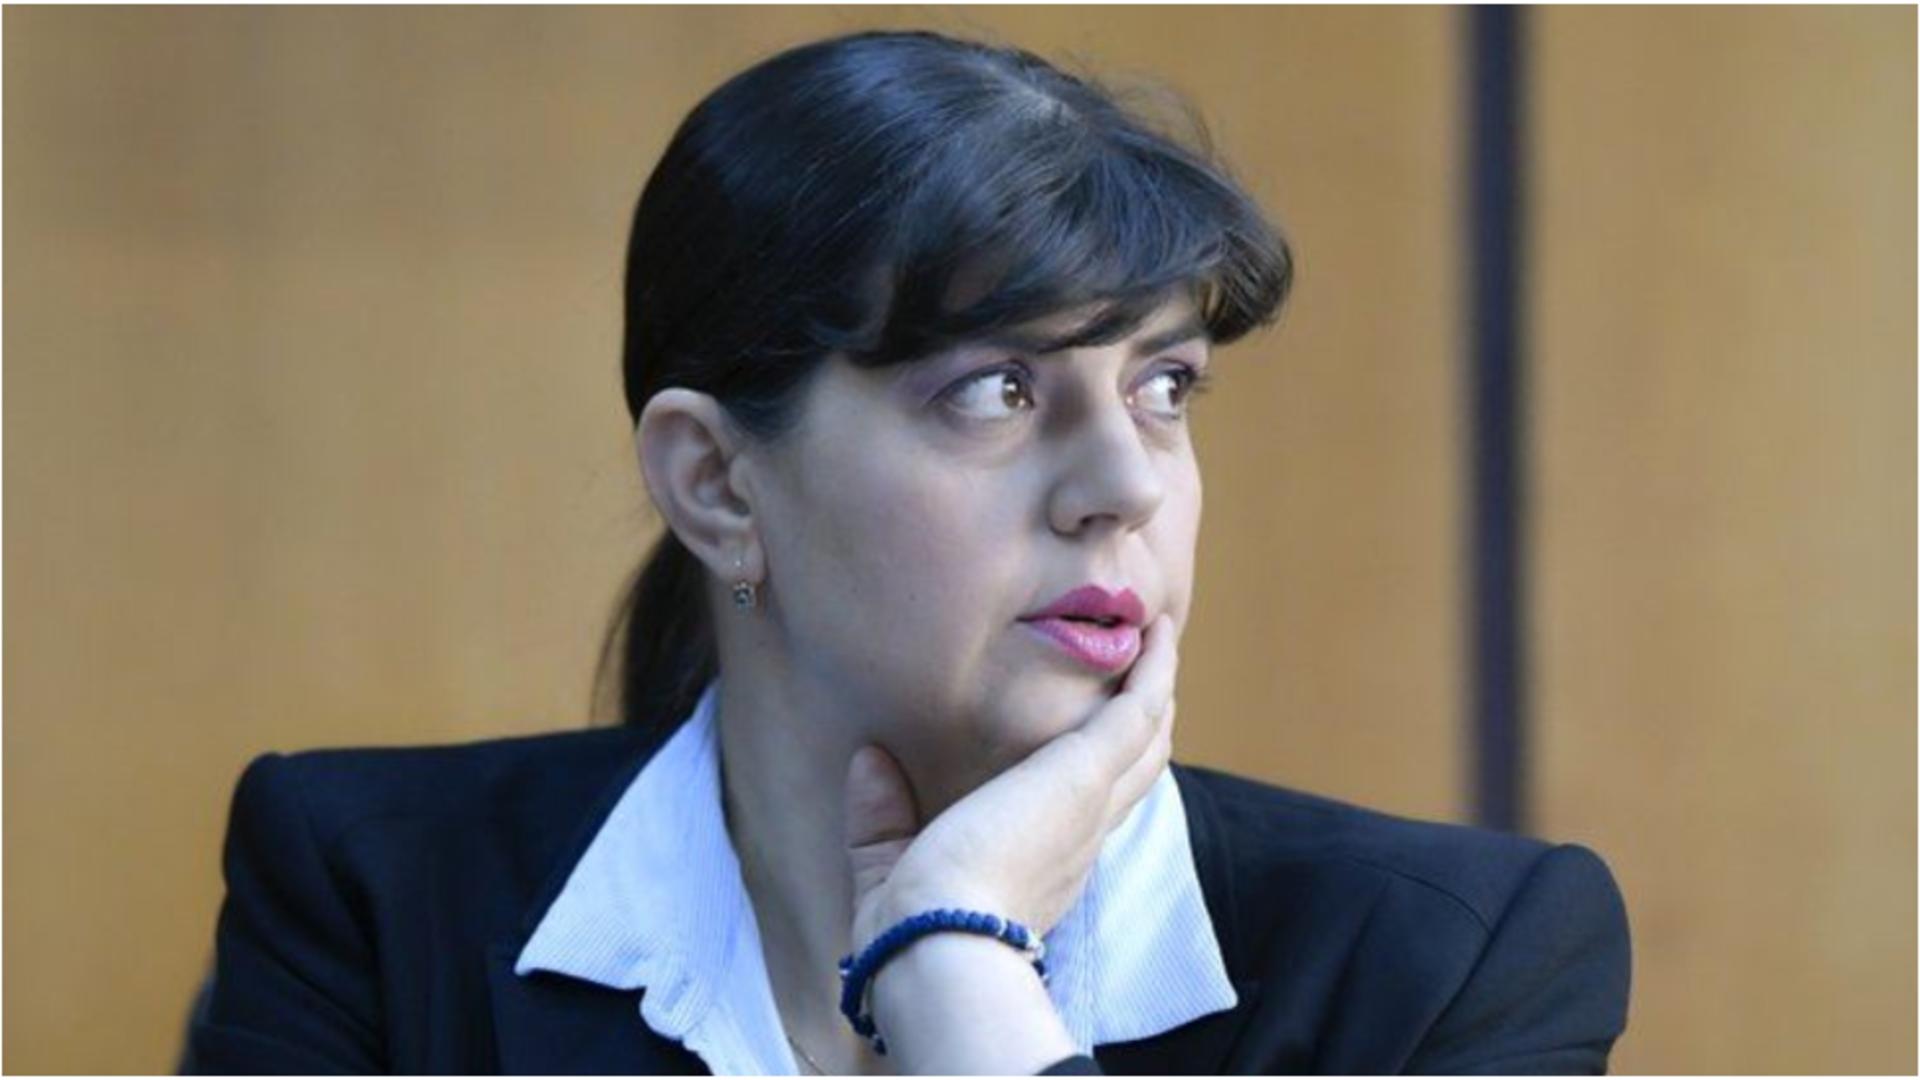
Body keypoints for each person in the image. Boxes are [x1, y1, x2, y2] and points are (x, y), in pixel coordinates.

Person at [182, 28, 1631, 1076]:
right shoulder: (370, 896)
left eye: (1164, 387)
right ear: (718, 485)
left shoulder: (1442, 973)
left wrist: (960, 968)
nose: (1127, 485)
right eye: (997, 390)